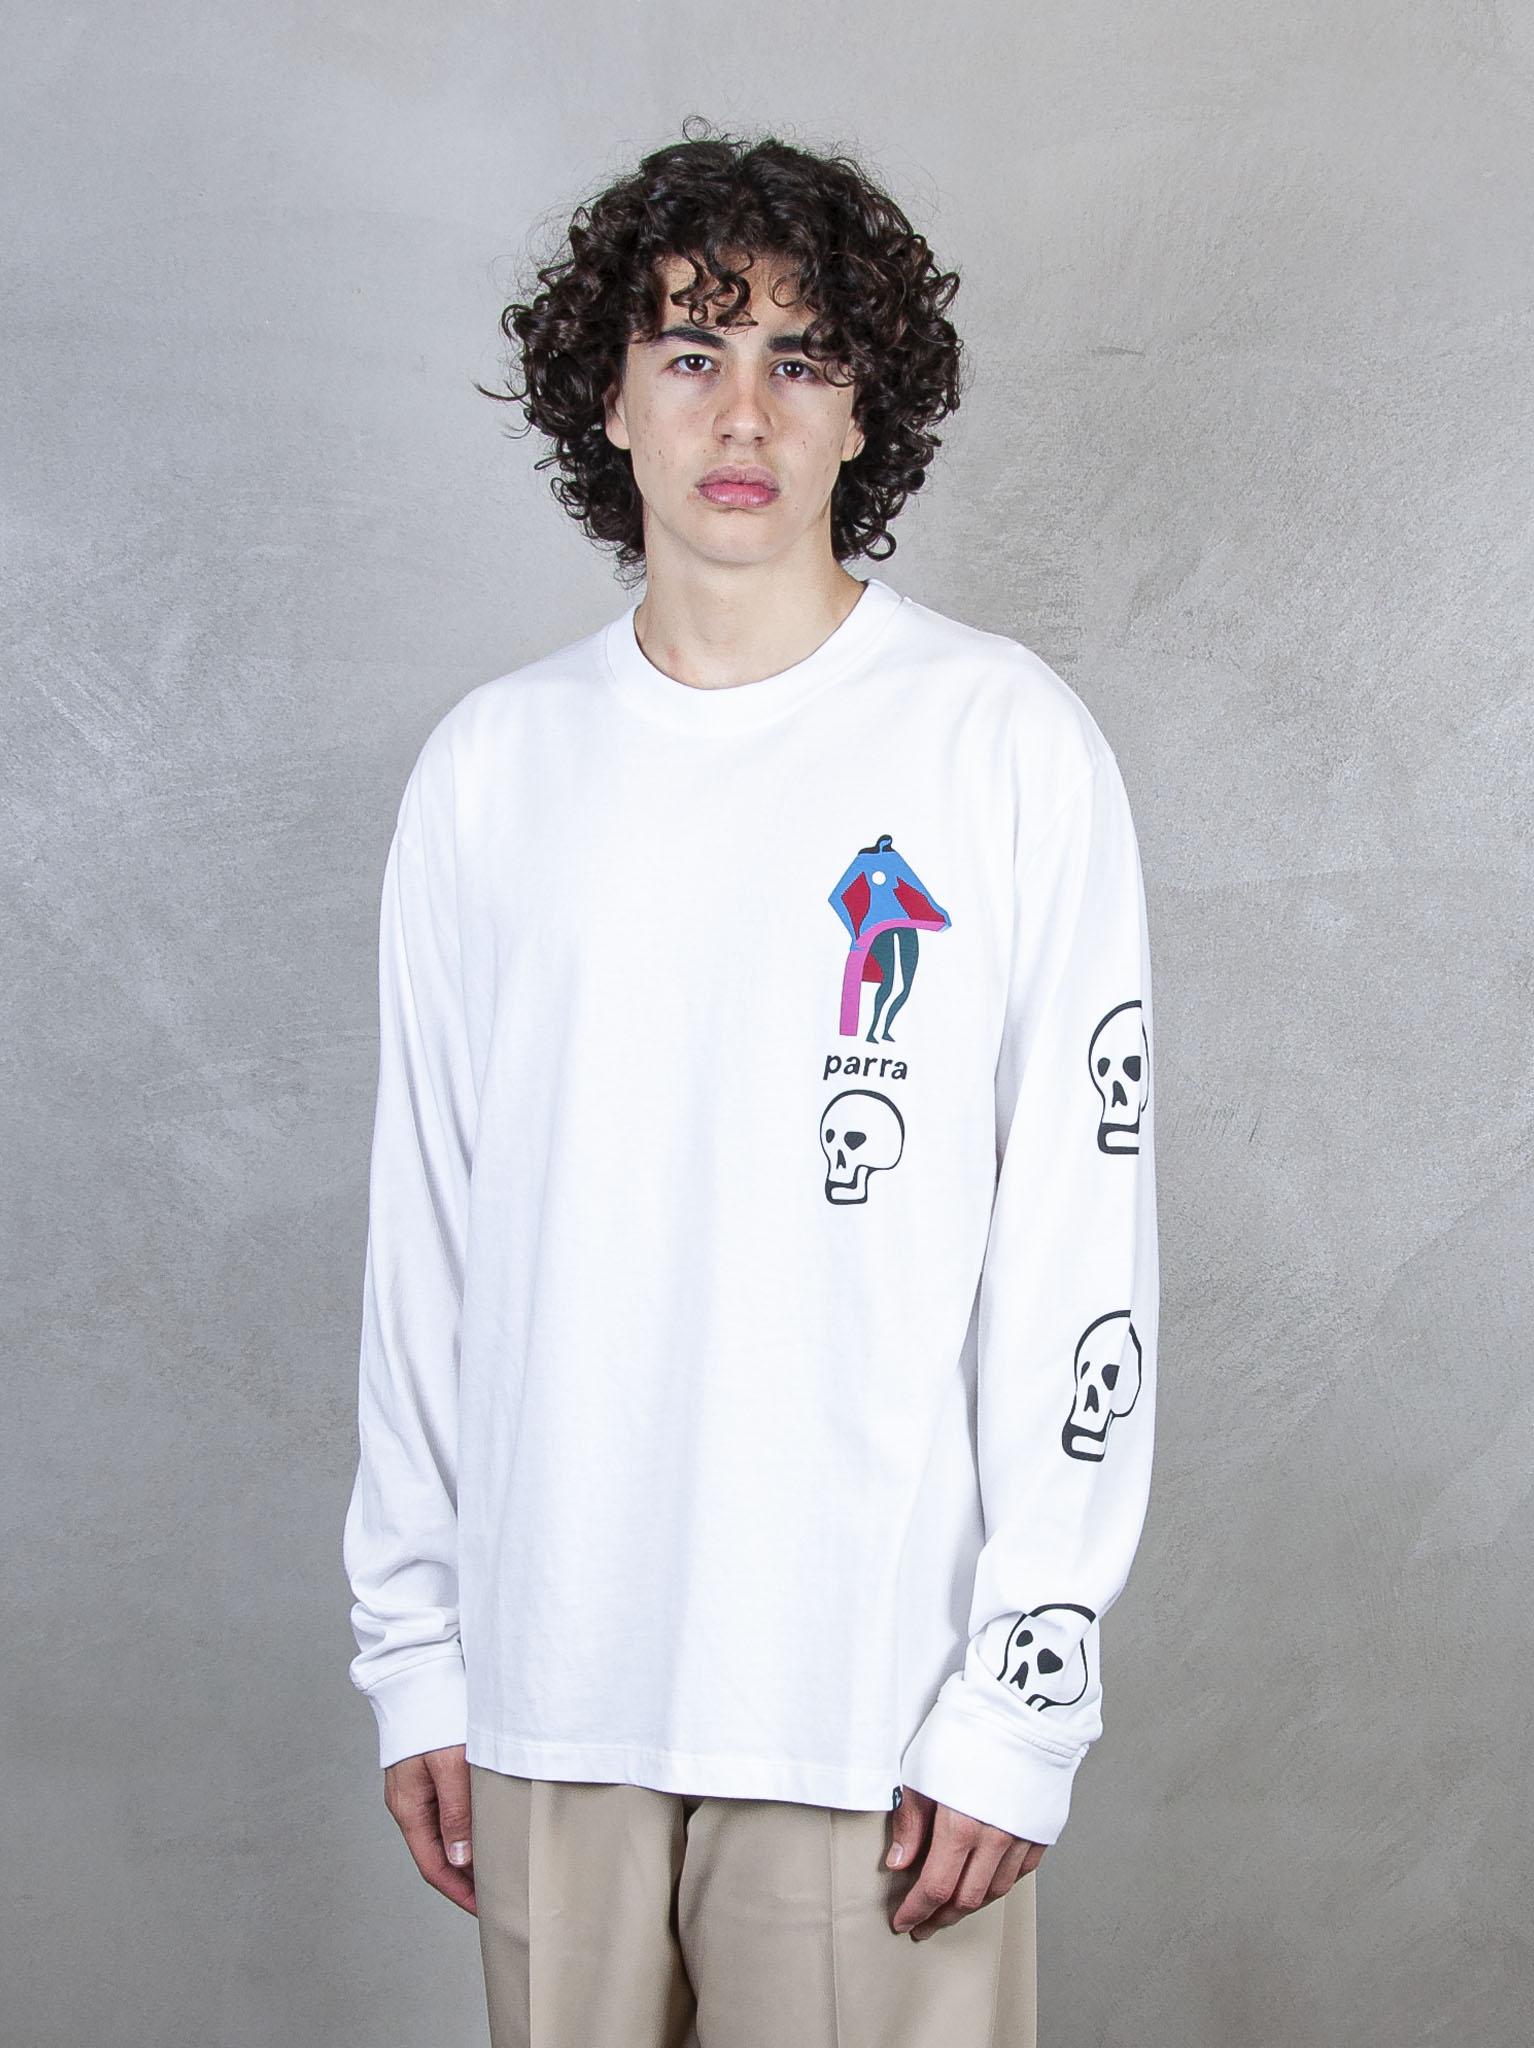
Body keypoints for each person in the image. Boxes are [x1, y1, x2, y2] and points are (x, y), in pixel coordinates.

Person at [341, 119, 1159, 2048]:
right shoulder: (493, 767)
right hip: (551, 1685)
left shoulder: (999, 742)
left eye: (802, 357)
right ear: (606, 397)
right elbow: (427, 1239)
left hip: (868, 1701)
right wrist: (418, 1653)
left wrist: (1024, 1690)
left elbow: (1078, 1240)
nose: (743, 411)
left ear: (865, 408)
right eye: (690, 349)